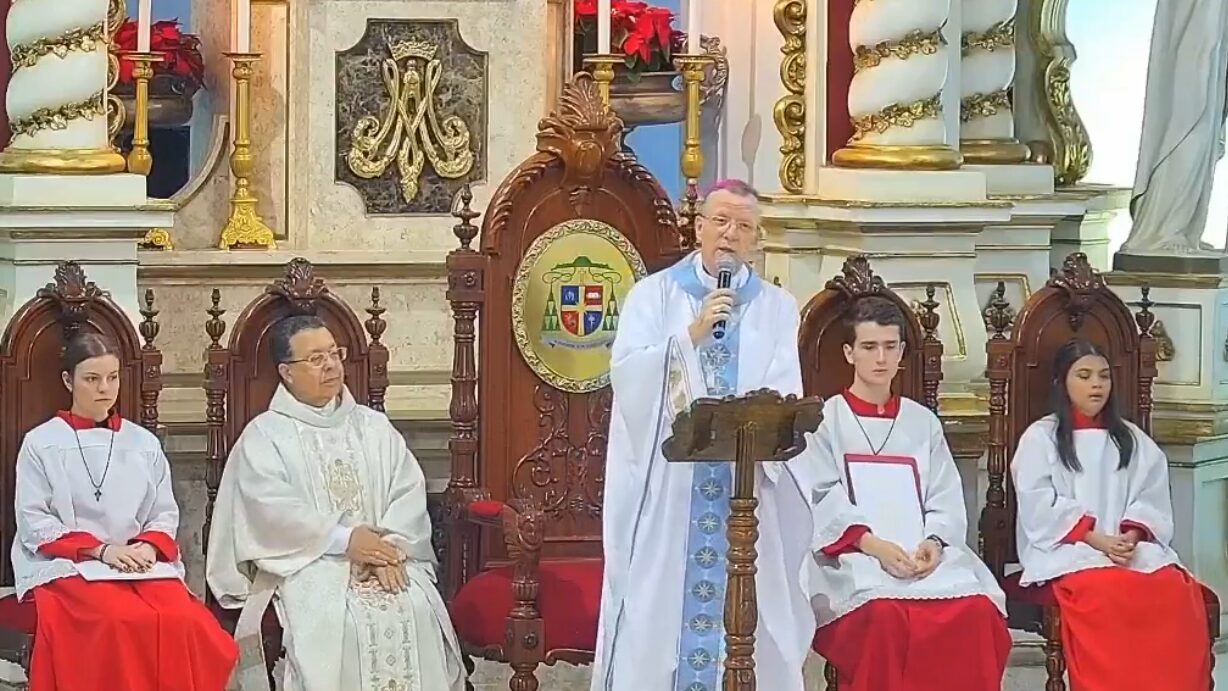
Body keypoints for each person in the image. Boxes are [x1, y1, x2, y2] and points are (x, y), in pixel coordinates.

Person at [591, 179, 816, 691]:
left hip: (746, 489)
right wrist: (690, 337)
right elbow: (627, 378)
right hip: (671, 493)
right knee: (657, 610)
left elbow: (785, 392)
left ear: (756, 239)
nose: (730, 234)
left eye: (743, 226)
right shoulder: (654, 295)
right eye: (720, 221)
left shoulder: (778, 307)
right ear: (698, 227)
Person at [206, 315, 465, 691]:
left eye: (334, 354)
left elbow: (405, 492)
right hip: (310, 564)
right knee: (338, 625)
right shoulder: (266, 436)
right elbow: (271, 513)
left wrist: (386, 549)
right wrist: (346, 542)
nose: (330, 365)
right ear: (287, 373)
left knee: (417, 609)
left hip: (387, 558)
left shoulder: (373, 427)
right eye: (315, 358)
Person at [803, 297, 1009, 691]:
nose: (880, 358)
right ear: (849, 353)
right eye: (869, 347)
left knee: (978, 612)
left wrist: (933, 543)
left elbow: (944, 498)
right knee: (884, 616)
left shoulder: (922, 422)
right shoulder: (825, 420)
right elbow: (820, 495)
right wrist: (875, 547)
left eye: (890, 346)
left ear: (901, 352)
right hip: (854, 558)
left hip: (922, 557)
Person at [13, 332, 237, 691]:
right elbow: (34, 519)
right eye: (92, 379)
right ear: (68, 380)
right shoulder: (42, 443)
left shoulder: (141, 442)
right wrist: (101, 550)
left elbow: (163, 512)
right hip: (72, 564)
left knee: (184, 621)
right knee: (115, 620)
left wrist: (147, 547)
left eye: (112, 377)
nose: (105, 388)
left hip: (139, 563)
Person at [1011, 339, 1210, 690]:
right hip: (1069, 551)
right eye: (1084, 375)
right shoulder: (1040, 439)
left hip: (1126, 547)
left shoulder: (1130, 438)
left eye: (1103, 376)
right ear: (1062, 382)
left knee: (1174, 591)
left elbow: (1150, 497)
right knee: (1104, 592)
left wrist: (1131, 536)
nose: (1096, 385)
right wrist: (1094, 537)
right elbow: (1038, 504)